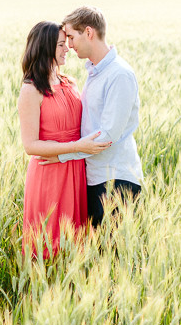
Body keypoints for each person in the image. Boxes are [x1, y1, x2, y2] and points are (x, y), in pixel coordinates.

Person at [42, 6, 143, 228]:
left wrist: (62, 156)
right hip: (96, 178)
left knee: (112, 249)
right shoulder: (96, 72)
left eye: (71, 37)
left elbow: (107, 135)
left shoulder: (119, 74)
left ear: (88, 32)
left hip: (116, 181)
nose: (69, 45)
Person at [17, 21, 111, 257]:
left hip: (75, 169)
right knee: (49, 241)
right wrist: (76, 147)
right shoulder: (31, 90)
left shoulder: (70, 83)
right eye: (60, 44)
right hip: (49, 172)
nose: (67, 48)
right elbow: (30, 145)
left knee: (75, 242)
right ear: (45, 47)